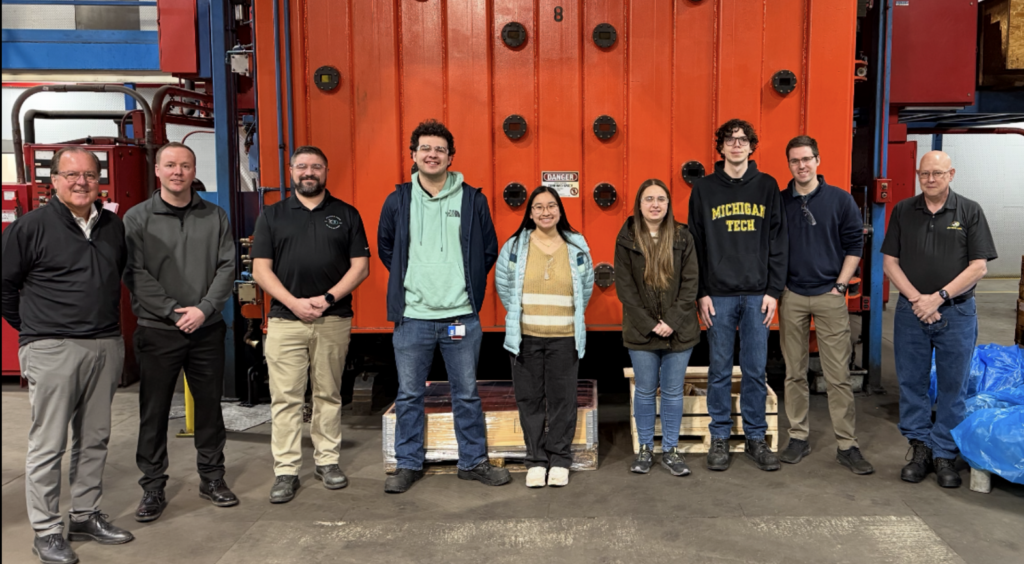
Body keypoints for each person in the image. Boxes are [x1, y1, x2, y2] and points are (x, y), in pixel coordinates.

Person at [2, 146, 133, 564]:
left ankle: (84, 513)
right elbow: (5, 287)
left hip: (105, 343)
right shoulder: (30, 227)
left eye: (90, 175)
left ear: (100, 181)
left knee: (94, 437)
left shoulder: (112, 226)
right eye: (72, 175)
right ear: (53, 181)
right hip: (52, 346)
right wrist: (38, 334)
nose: (81, 182)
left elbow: (117, 276)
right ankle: (46, 530)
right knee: (49, 443)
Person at [378, 119, 509, 494]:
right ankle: (408, 464)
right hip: (412, 318)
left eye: (439, 149)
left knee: (466, 392)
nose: (431, 154)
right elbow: (388, 248)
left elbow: (487, 250)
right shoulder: (398, 199)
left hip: (460, 316)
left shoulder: (472, 199)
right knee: (408, 395)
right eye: (425, 148)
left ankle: (473, 461)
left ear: (451, 157)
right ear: (413, 155)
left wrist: (458, 285)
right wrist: (416, 280)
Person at [123, 142, 239, 523]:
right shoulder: (137, 219)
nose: (178, 172)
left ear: (193, 171)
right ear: (157, 170)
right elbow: (135, 273)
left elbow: (227, 266)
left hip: (206, 328)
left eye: (185, 165)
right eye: (170, 165)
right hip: (158, 330)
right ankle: (153, 487)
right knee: (154, 412)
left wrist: (204, 309)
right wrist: (175, 314)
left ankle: (212, 478)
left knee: (210, 409)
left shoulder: (215, 216)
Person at [252, 146, 371, 503]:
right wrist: (293, 303)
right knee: (286, 398)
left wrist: (327, 299)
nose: (309, 172)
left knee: (328, 394)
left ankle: (328, 461)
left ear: (326, 171)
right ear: (291, 171)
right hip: (286, 321)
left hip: (332, 319)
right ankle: (286, 470)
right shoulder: (272, 216)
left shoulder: (346, 214)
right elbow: (261, 269)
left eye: (315, 166)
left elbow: (360, 266)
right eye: (302, 166)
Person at [882, 150, 997, 488]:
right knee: (912, 383)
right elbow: (890, 262)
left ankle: (945, 452)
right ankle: (920, 448)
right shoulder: (904, 210)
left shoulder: (969, 211)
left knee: (953, 386)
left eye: (937, 173)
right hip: (911, 311)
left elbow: (979, 266)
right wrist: (918, 299)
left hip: (957, 312)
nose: (930, 179)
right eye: (924, 174)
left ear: (951, 174)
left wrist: (939, 297)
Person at [688, 118, 788, 472]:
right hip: (719, 296)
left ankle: (756, 438)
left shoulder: (767, 186)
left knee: (756, 370)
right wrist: (701, 292)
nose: (736, 145)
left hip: (757, 295)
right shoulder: (703, 189)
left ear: (751, 146)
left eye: (743, 140)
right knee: (718, 370)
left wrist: (774, 291)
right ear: (721, 146)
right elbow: (695, 244)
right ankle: (719, 436)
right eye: (730, 140)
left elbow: (778, 241)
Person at [777, 136, 874, 475]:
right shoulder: (781, 202)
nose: (801, 166)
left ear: (818, 160)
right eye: (794, 161)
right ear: (788, 164)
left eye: (806, 159)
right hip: (792, 296)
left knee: (837, 375)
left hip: (830, 296)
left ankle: (847, 445)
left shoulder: (840, 200)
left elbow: (854, 246)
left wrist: (840, 286)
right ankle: (798, 437)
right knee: (794, 373)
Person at [495, 187, 594, 488]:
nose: (545, 212)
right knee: (530, 400)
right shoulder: (514, 246)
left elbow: (585, 289)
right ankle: (536, 460)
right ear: (530, 212)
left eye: (551, 206)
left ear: (560, 210)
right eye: (538, 207)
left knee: (563, 400)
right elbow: (504, 287)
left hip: (565, 337)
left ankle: (560, 459)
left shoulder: (576, 245)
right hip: (525, 339)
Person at [615, 179, 701, 476]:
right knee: (645, 391)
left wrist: (672, 322)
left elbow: (691, 284)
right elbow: (625, 289)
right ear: (639, 204)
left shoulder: (682, 237)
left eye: (661, 199)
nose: (655, 204)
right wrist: (650, 324)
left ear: (668, 204)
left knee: (674, 392)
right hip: (641, 332)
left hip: (680, 331)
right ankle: (645, 449)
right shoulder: (627, 237)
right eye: (649, 199)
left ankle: (672, 450)